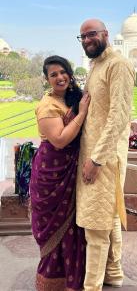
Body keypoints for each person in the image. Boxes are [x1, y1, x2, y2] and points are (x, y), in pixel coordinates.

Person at [76, 19, 135, 290]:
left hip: (104, 159)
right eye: (83, 37)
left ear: (105, 34)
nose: (87, 40)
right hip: (92, 155)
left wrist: (97, 159)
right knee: (107, 217)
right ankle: (114, 273)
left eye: (91, 34)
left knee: (96, 227)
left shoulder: (118, 65)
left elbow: (119, 116)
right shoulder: (96, 65)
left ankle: (92, 286)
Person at [29, 55, 90, 291]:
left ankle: (75, 277)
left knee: (75, 225)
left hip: (70, 170)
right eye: (53, 74)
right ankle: (53, 280)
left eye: (63, 71)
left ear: (70, 72)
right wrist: (82, 113)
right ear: (47, 79)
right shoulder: (47, 106)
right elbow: (61, 140)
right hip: (51, 172)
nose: (60, 77)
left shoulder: (71, 97)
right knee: (55, 225)